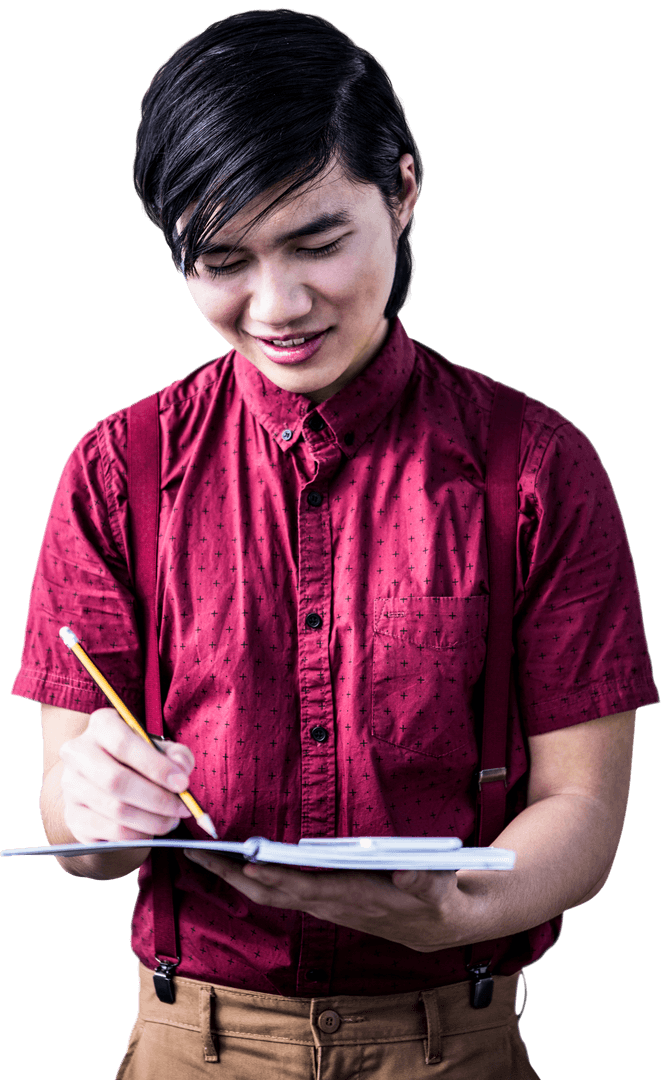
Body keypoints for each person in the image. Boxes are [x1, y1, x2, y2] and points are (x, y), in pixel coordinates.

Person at [11, 9, 658, 1079]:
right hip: (192, 1043)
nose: (278, 305)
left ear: (402, 190)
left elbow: (584, 812)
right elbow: (71, 815)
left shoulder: (538, 466)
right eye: (221, 261)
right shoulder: (112, 469)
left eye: (317, 242)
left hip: (453, 1039)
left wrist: (458, 909)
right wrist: (91, 811)